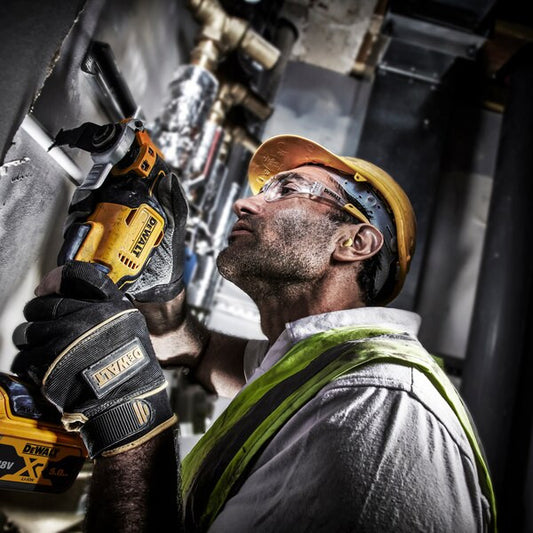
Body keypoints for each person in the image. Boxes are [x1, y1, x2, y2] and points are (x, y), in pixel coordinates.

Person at [12, 134, 495, 532]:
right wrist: (162, 296)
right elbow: (199, 351)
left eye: (288, 189)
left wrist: (125, 415)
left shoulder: (383, 415)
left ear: (354, 241)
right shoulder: (321, 364)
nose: (245, 203)